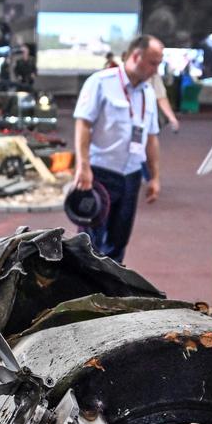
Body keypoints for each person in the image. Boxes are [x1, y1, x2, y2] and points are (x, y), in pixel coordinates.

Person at [71, 34, 163, 264]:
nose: (156, 69)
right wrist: (83, 167)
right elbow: (83, 124)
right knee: (89, 243)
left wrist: (154, 177)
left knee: (118, 242)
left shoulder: (148, 93)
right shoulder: (100, 82)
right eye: (153, 63)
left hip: (131, 177)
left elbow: (151, 138)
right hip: (99, 174)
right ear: (136, 56)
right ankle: (80, 294)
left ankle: (110, 295)